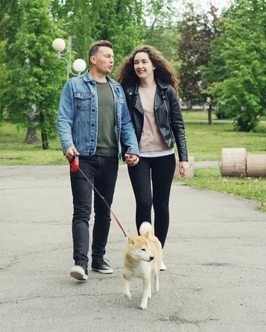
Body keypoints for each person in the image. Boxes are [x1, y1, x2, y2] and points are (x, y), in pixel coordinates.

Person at [57, 40, 140, 281]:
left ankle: (98, 258)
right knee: (82, 211)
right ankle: (80, 263)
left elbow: (125, 124)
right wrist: (67, 145)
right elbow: (64, 119)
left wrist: (131, 148)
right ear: (93, 59)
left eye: (113, 56)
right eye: (107, 56)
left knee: (104, 211)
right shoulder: (74, 86)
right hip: (83, 157)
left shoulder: (117, 89)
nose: (112, 60)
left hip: (110, 158)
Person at [116, 45, 189, 271]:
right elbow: (120, 124)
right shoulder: (128, 91)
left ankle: (158, 254)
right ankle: (143, 251)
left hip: (165, 155)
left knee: (161, 205)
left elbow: (178, 124)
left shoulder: (167, 91)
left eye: (144, 62)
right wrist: (125, 150)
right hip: (139, 156)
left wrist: (183, 158)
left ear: (153, 65)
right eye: (136, 62)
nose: (140, 66)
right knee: (144, 203)